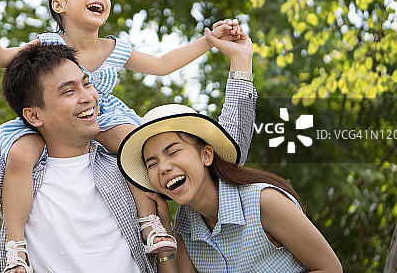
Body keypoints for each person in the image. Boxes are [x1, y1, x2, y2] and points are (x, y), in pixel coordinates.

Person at [0, 0, 244, 271]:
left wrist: (209, 41)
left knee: (133, 146)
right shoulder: (48, 44)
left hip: (103, 114)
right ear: (58, 5)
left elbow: (163, 64)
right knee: (21, 156)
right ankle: (15, 246)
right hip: (56, 120)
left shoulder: (113, 48)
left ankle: (148, 222)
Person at [117, 104, 343, 272]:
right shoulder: (185, 225)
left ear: (206, 155)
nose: (163, 167)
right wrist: (165, 240)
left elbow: (331, 269)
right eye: (152, 163)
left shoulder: (263, 201)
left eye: (173, 152)